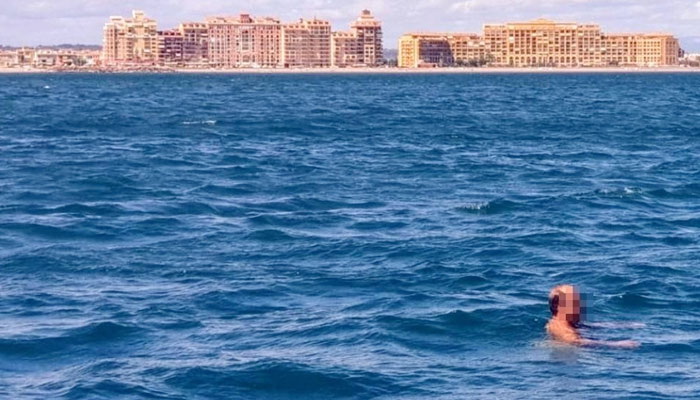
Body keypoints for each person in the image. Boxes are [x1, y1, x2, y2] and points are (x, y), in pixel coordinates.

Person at [546, 285, 640, 348]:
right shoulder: (560, 327)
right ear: (557, 306)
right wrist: (616, 344)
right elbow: (575, 342)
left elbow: (590, 326)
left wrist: (624, 325)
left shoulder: (571, 322)